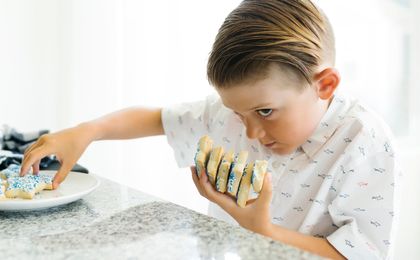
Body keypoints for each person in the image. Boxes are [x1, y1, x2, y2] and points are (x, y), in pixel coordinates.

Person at [21, 1, 400, 259]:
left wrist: (261, 229)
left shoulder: (362, 140)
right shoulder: (232, 115)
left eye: (265, 111)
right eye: (237, 113)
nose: (250, 132)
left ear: (325, 85)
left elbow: (355, 253)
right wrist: (87, 131)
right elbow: (155, 118)